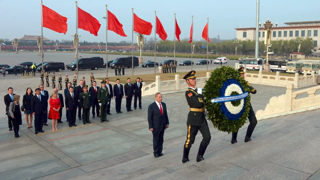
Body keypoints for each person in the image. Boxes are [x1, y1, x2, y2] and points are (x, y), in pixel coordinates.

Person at [182, 70, 211, 163]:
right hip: (193, 119)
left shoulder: (198, 91)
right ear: (187, 81)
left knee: (207, 137)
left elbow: (207, 97)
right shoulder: (188, 93)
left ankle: (200, 156)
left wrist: (203, 96)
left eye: (194, 79)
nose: (194, 80)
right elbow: (199, 104)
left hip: (201, 118)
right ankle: (185, 157)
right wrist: (203, 97)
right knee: (190, 141)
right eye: (192, 79)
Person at [231, 67, 258, 144]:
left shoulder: (246, 83)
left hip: (247, 105)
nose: (243, 75)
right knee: (237, 123)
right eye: (241, 74)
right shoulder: (235, 85)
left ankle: (247, 137)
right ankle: (234, 139)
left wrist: (250, 89)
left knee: (254, 121)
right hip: (239, 105)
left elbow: (254, 91)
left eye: (243, 74)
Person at [147, 92, 169, 158]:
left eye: (161, 97)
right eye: (159, 97)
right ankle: (156, 152)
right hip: (155, 126)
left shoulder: (164, 104)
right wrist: (151, 126)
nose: (161, 98)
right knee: (156, 140)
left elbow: (165, 114)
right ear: (155, 98)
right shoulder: (151, 106)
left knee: (161, 139)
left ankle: (160, 151)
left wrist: (167, 123)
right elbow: (149, 117)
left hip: (162, 125)